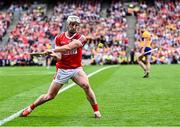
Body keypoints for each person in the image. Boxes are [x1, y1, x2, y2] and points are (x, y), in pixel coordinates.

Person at [21, 15, 102, 118]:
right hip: (63, 69)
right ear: (68, 25)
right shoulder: (59, 38)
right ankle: (30, 108)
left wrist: (53, 50)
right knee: (50, 96)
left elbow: (69, 47)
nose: (74, 27)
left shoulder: (81, 38)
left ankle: (96, 111)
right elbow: (59, 57)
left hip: (76, 69)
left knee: (86, 85)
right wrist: (52, 55)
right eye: (72, 24)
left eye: (76, 25)